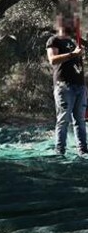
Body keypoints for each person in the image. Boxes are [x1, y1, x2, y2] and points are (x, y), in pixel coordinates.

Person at [46, 13, 87, 157]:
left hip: (80, 86)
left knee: (80, 121)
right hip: (64, 86)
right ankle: (60, 151)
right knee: (63, 120)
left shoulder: (76, 41)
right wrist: (73, 54)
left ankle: (83, 151)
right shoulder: (54, 40)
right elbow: (52, 60)